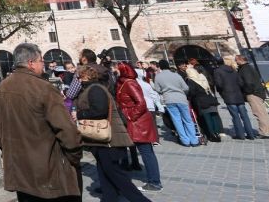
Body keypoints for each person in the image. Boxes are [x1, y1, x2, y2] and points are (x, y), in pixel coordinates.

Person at [0, 43, 82, 202]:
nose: (44, 64)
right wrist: (74, 157)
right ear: (31, 63)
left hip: (21, 172)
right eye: (41, 60)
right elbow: (67, 130)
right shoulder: (44, 88)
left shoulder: (1, 88)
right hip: (49, 172)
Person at [76, 65, 150, 202]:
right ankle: (109, 198)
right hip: (101, 141)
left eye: (79, 77)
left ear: (86, 76)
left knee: (115, 174)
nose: (78, 80)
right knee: (105, 172)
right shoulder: (92, 88)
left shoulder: (95, 89)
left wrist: (79, 114)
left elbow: (100, 111)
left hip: (110, 140)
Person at [115, 62, 162, 193]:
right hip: (136, 122)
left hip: (138, 123)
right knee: (145, 152)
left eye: (117, 69)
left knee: (146, 152)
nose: (115, 71)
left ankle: (155, 182)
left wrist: (130, 116)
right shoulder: (124, 82)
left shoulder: (129, 83)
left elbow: (141, 102)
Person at [153, 60, 197, 147]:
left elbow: (157, 89)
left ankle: (185, 140)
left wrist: (164, 91)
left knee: (177, 120)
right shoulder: (176, 75)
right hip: (181, 98)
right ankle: (194, 140)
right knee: (187, 119)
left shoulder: (158, 77)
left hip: (169, 99)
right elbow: (185, 87)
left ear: (160, 67)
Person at [213, 55, 256, 140]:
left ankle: (240, 135)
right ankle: (251, 134)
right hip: (238, 95)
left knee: (235, 116)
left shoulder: (217, 71)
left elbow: (219, 84)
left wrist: (221, 91)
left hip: (228, 95)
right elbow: (240, 82)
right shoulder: (232, 69)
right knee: (245, 116)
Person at [178, 61, 222, 142]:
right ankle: (217, 134)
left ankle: (211, 135)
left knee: (207, 118)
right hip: (210, 99)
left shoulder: (191, 81)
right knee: (213, 117)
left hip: (201, 101)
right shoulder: (202, 77)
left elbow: (192, 92)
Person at [236, 55, 269, 138]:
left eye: (236, 60)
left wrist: (248, 92)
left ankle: (264, 132)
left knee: (259, 113)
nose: (235, 62)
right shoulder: (249, 67)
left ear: (240, 60)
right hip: (258, 92)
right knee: (264, 113)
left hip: (253, 94)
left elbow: (248, 82)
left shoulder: (244, 69)